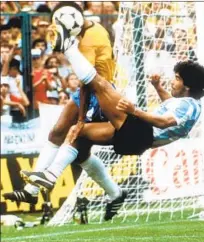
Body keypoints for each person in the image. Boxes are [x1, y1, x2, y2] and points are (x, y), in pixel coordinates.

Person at [21, 28, 204, 220]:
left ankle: (69, 48)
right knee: (79, 135)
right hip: (138, 138)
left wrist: (134, 110)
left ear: (188, 86)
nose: (173, 81)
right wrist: (158, 87)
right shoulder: (186, 104)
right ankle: (112, 193)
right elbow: (170, 105)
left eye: (177, 78)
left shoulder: (190, 105)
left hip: (141, 132)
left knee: (100, 84)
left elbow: (165, 122)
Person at [3, 2, 120, 208]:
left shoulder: (90, 40)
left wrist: (82, 118)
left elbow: (87, 81)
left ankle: (114, 193)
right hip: (89, 89)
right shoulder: (90, 26)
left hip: (100, 94)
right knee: (58, 134)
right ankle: (31, 190)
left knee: (77, 146)